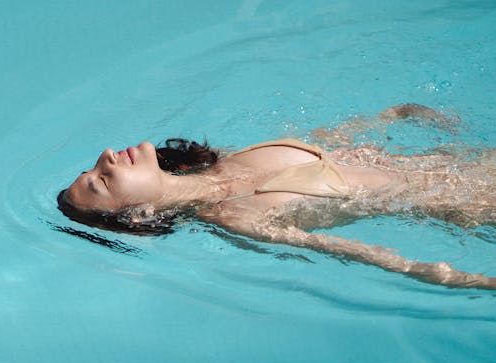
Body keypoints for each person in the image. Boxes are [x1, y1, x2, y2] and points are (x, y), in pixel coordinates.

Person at [57, 105, 496, 289]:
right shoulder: (236, 218)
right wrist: (470, 280)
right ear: (139, 215)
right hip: (476, 205)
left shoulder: (223, 163)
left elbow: (337, 143)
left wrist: (394, 114)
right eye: (101, 180)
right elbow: (361, 254)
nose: (106, 157)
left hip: (474, 162)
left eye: (93, 168)